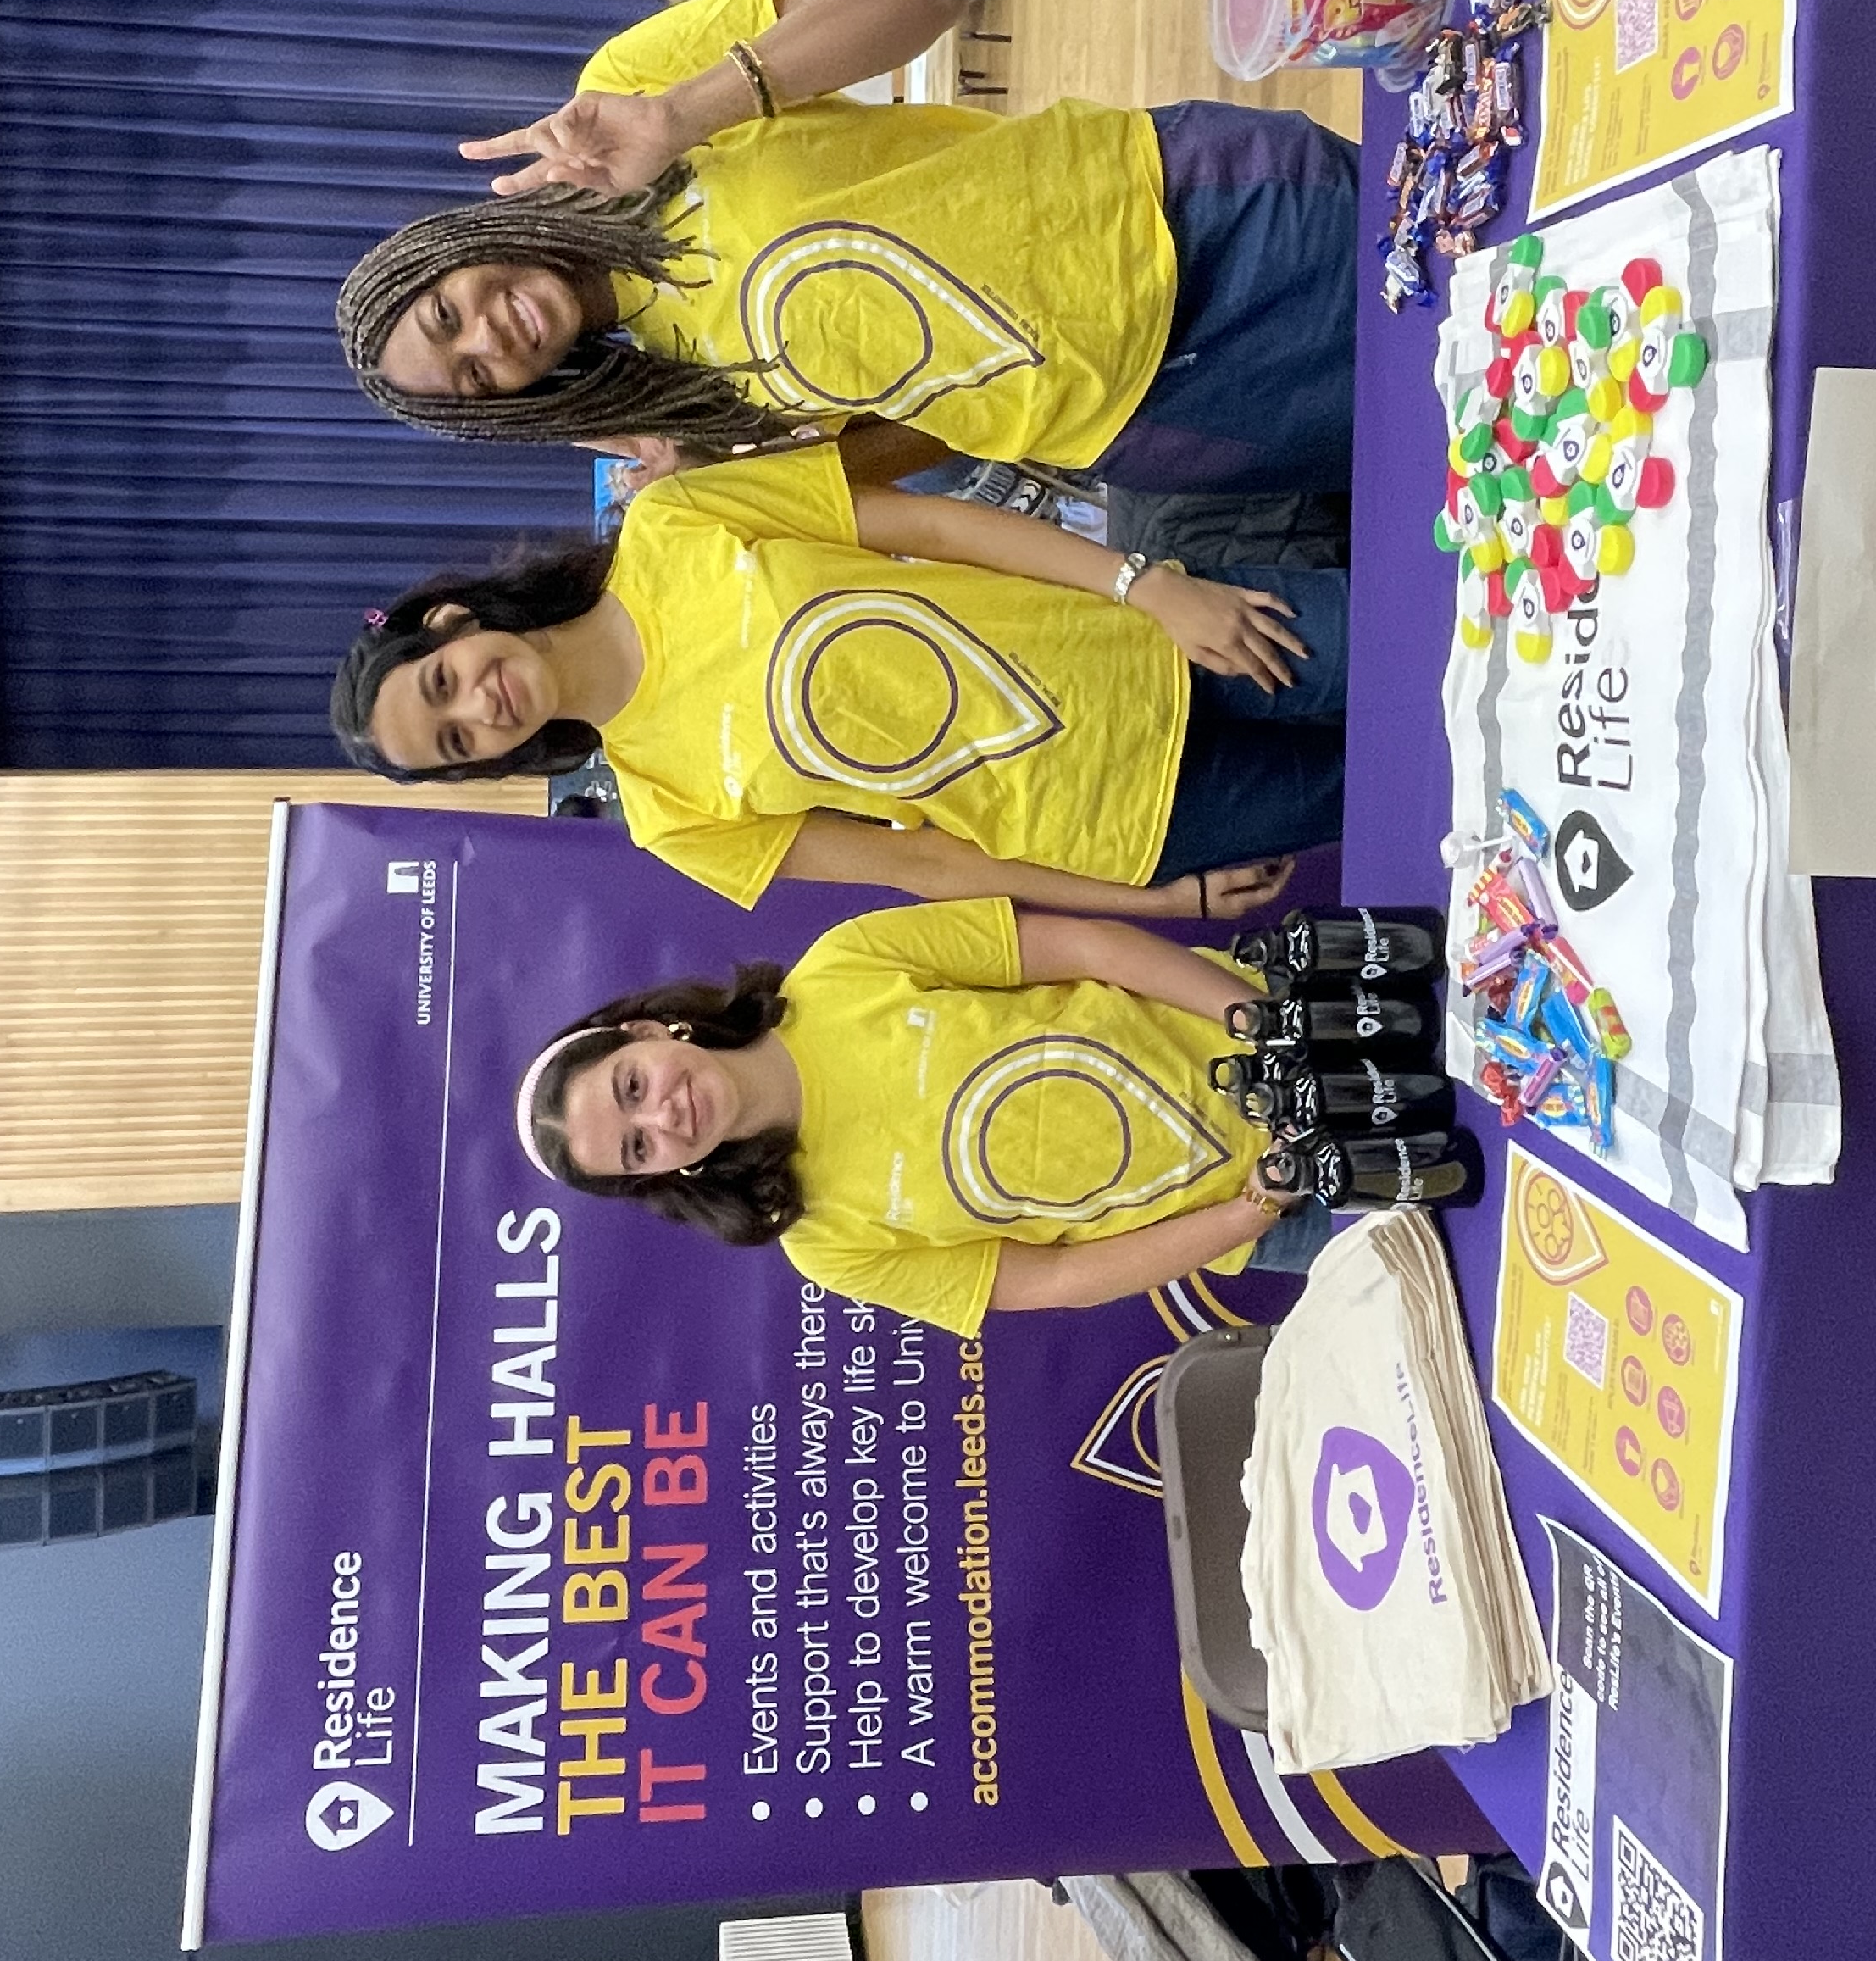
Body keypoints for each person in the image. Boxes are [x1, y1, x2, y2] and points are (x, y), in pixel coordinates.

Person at [338, 0, 1357, 496]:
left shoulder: (622, 97)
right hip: (1148, 420)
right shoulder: (675, 405)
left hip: (1187, 216)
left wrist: (686, 112)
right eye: (473, 377)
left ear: (451, 252)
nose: (488, 339)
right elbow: (908, 425)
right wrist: (753, 467)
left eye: (446, 315)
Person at [331, 442, 1346, 919]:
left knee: (1418, 644)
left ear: (452, 624)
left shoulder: (674, 522)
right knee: (1423, 782)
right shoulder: (669, 816)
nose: (480, 707)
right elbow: (926, 869)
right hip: (1144, 820)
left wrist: (1145, 584)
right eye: (460, 741)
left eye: (444, 687)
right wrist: (1155, 902)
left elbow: (935, 524)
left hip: (1157, 642)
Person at [513, 898, 1335, 1335]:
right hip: (1295, 1205)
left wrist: (1263, 1022)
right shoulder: (827, 1247)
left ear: (649, 1032)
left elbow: (1086, 949)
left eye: (631, 1087)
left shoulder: (842, 965)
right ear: (656, 1177)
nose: (663, 1114)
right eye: (637, 1146)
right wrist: (1254, 1209)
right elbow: (1055, 1280)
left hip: (1282, 1019)